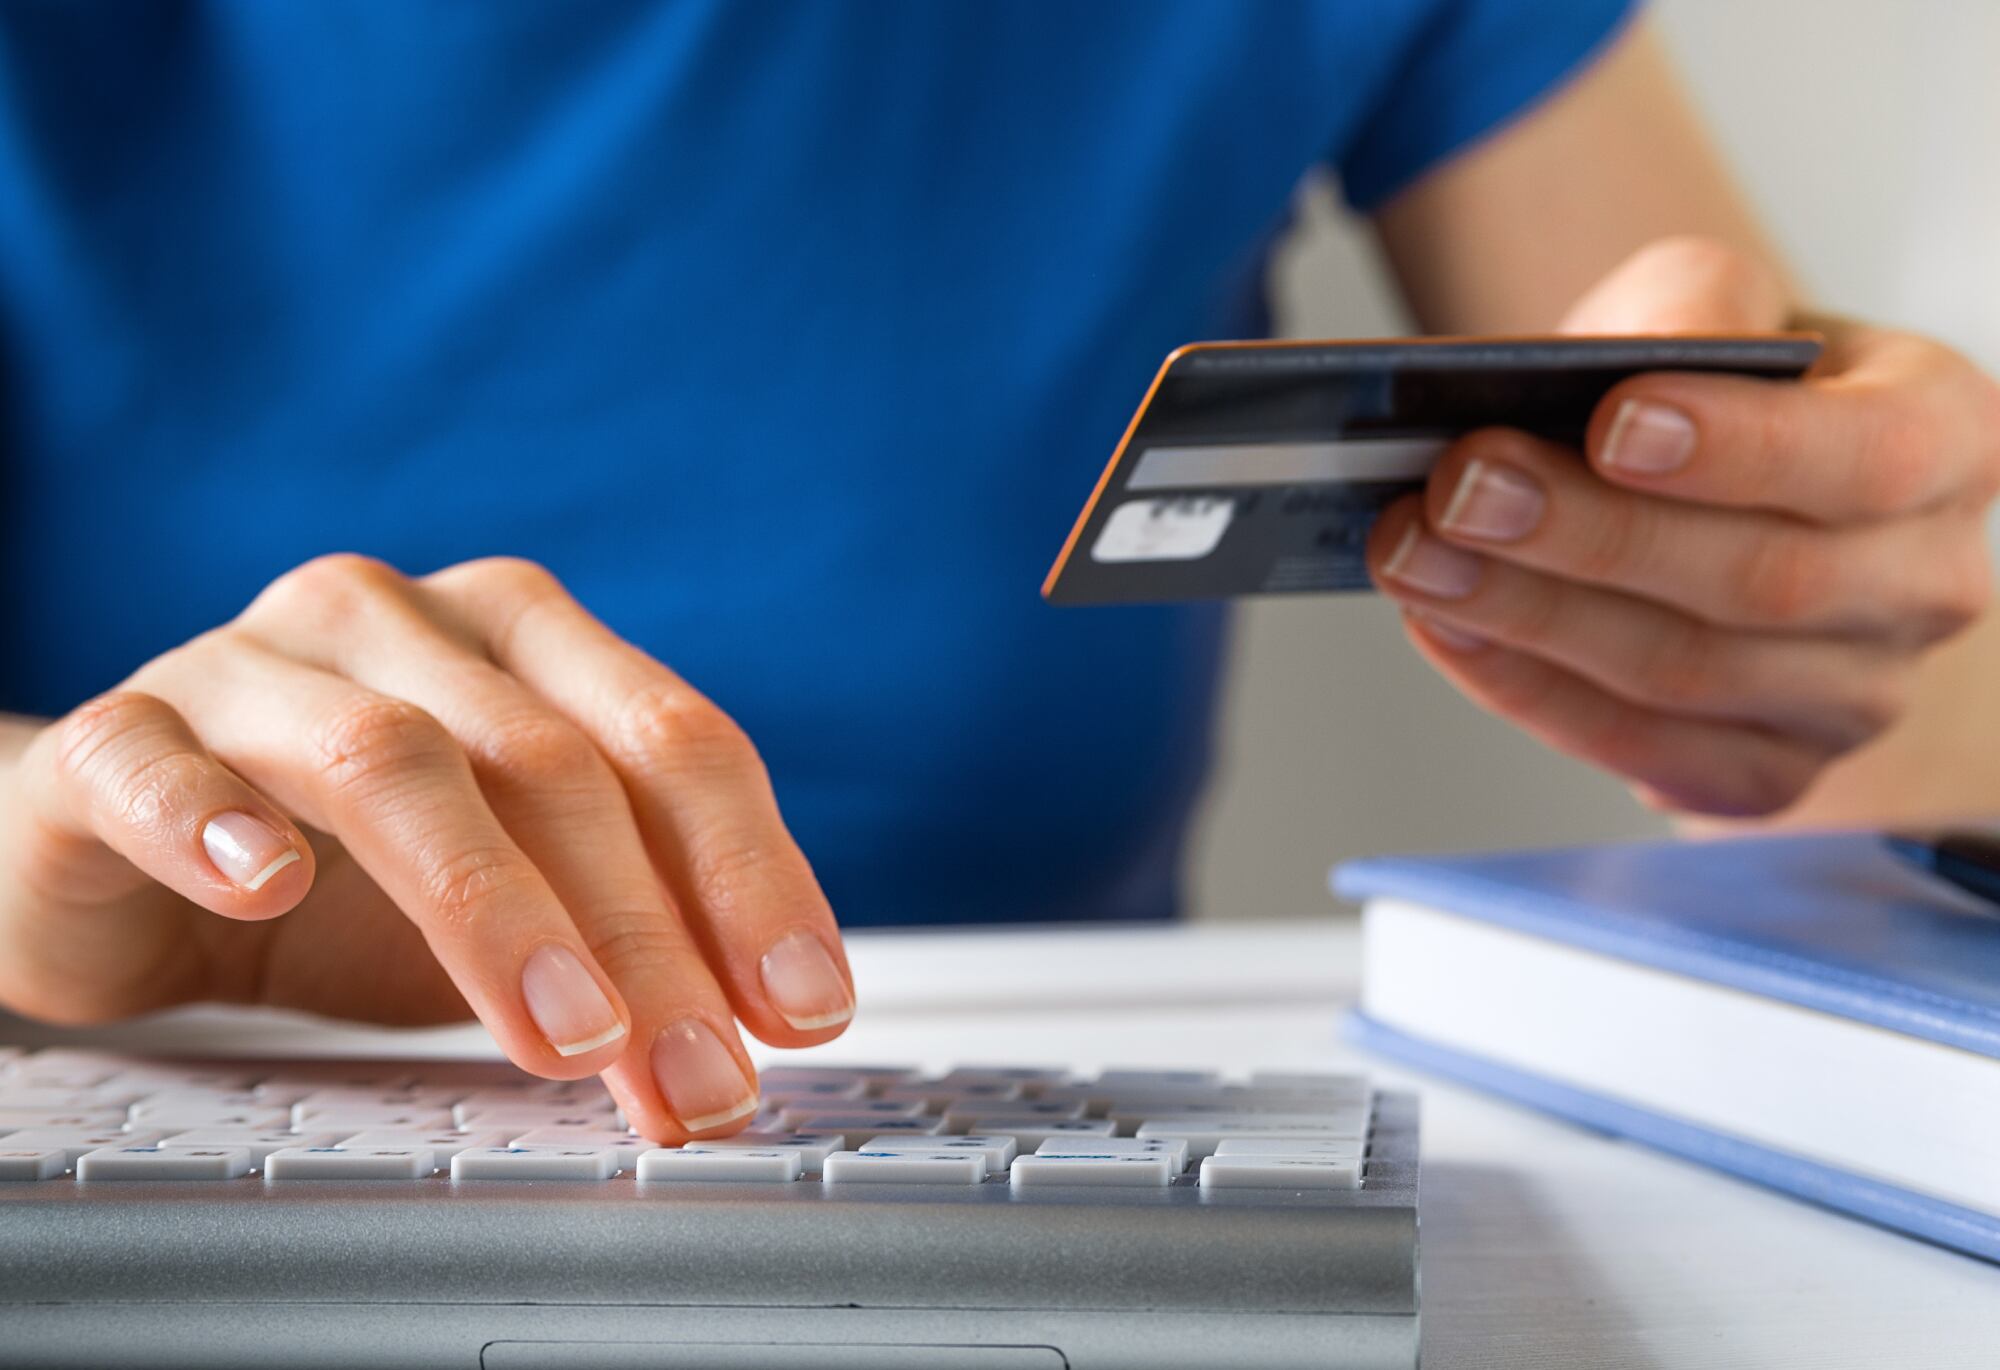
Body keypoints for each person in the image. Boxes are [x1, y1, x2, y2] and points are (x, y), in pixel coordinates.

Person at [0, 3, 1994, 1141]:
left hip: (1065, 1157)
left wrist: (1824, 595)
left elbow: (1901, 744)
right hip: (142, 1093)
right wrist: (44, 868)